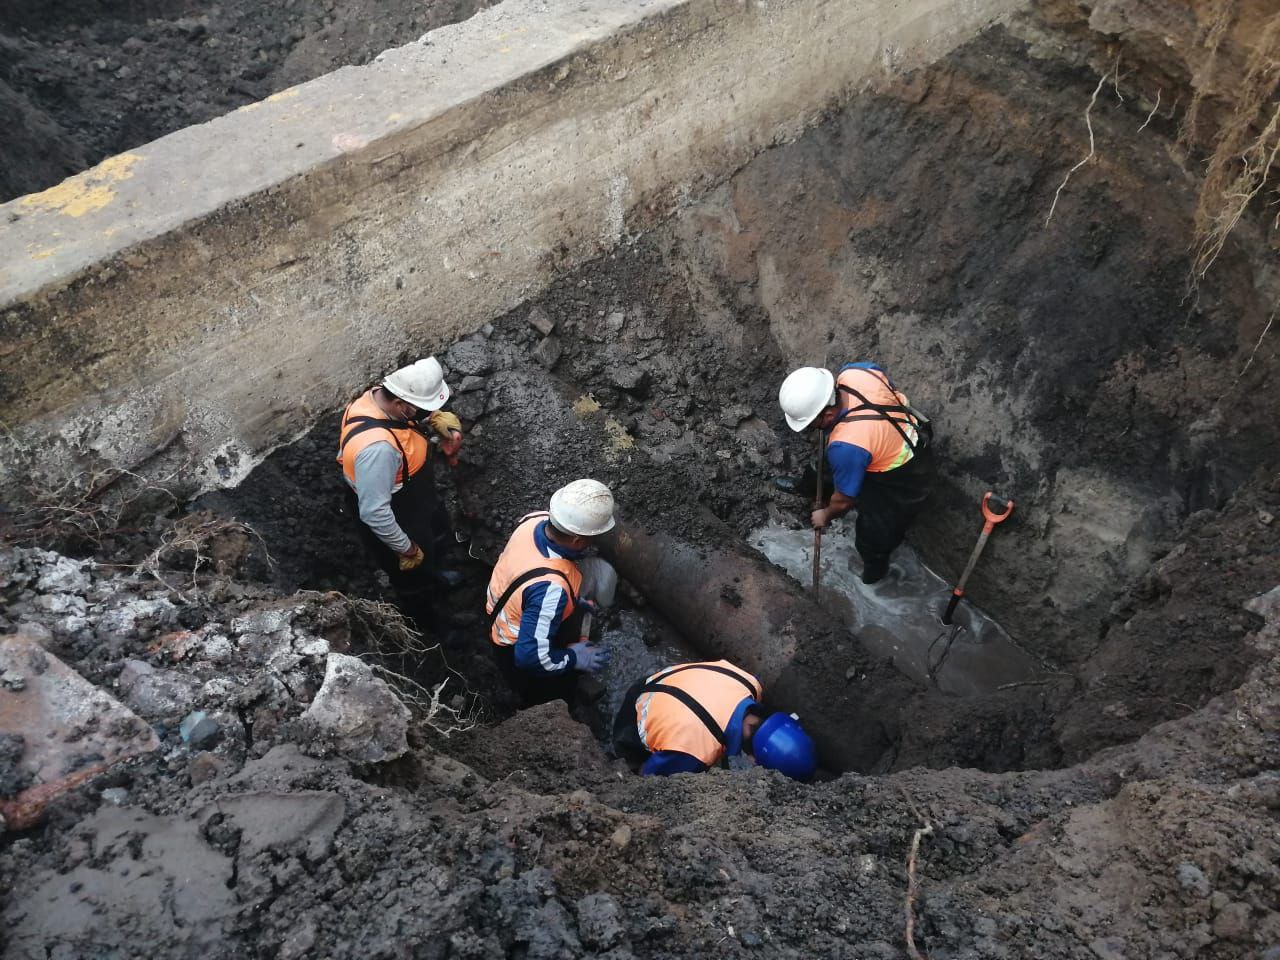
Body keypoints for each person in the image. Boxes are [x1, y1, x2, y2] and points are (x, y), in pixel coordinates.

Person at [778, 362, 933, 584]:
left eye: (812, 423)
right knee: (820, 468)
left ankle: (874, 571)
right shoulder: (854, 372)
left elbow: (844, 501)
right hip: (882, 437)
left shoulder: (846, 447)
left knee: (874, 534)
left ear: (828, 415)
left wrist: (826, 515)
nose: (812, 428)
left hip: (905, 474)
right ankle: (807, 488)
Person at [336, 357, 464, 626]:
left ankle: (436, 573)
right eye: (421, 408)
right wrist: (405, 549)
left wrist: (432, 418)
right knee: (412, 579)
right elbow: (374, 512)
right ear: (400, 405)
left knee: (437, 534)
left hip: (414, 495)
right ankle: (430, 626)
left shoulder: (375, 398)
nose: (422, 413)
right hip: (396, 513)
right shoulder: (378, 450)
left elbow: (402, 423)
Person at [486, 479, 618, 706]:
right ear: (577, 540)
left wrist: (575, 603)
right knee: (544, 694)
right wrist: (575, 658)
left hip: (505, 607)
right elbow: (530, 658)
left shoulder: (534, 520)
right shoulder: (550, 589)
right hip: (514, 647)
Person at [611, 659, 817, 780]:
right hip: (639, 709)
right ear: (754, 760)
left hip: (666, 682)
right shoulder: (694, 749)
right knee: (636, 767)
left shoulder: (750, 684)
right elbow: (650, 776)